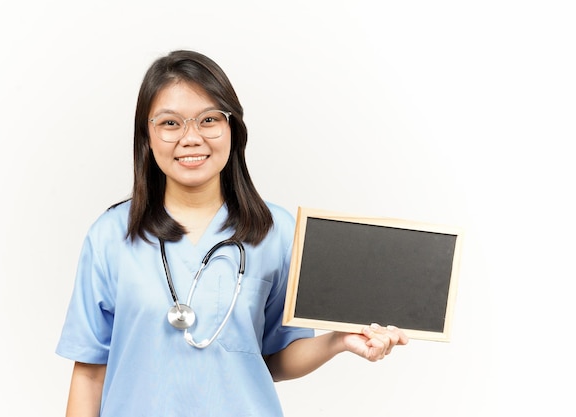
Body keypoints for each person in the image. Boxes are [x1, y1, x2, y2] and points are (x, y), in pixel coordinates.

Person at [56, 49, 408, 417]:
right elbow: (90, 374)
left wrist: (338, 341)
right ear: (147, 135)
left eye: (209, 119)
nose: (191, 138)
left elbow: (274, 358)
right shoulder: (111, 236)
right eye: (170, 123)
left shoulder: (277, 231)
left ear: (233, 129)